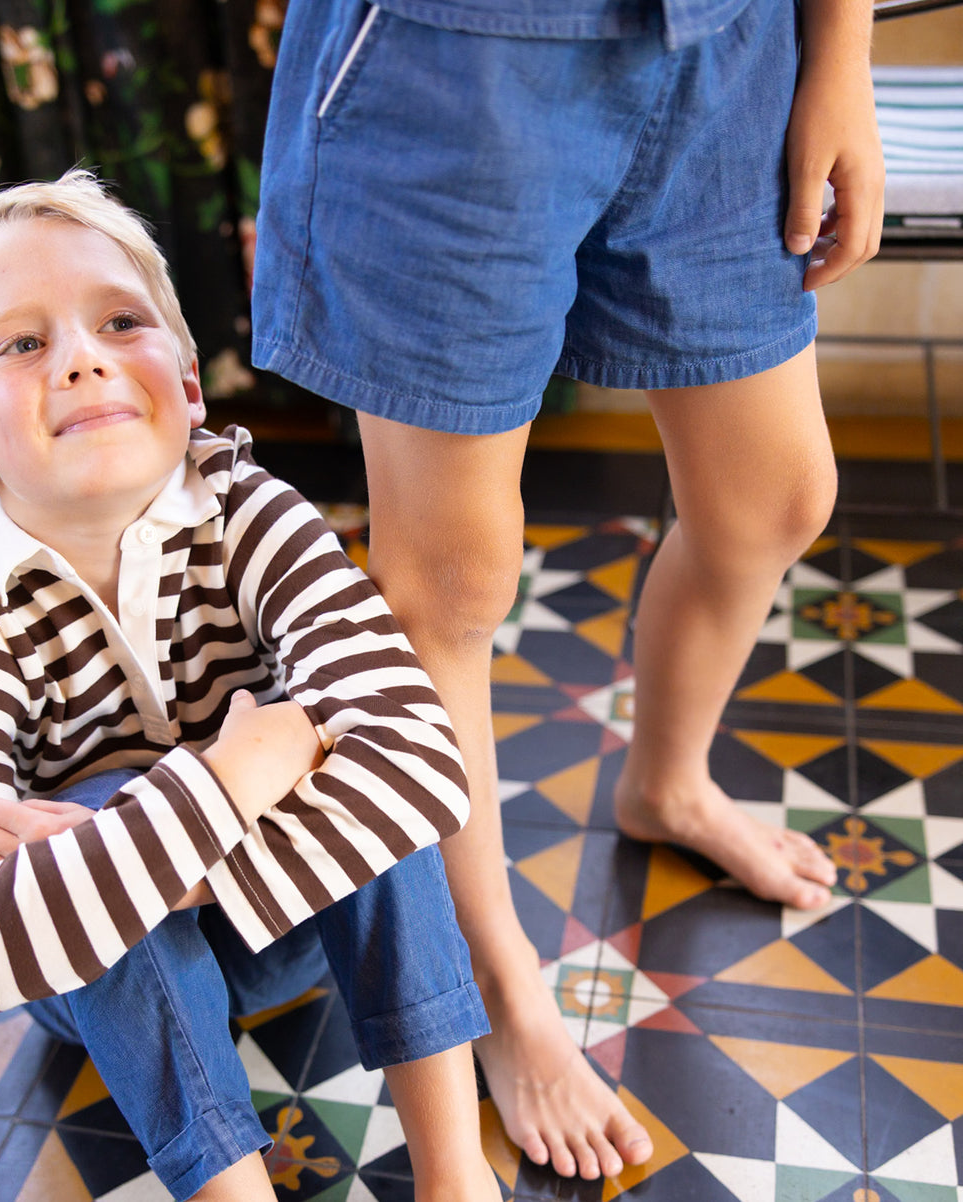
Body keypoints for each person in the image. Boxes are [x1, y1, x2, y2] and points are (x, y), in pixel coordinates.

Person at [250, 0, 885, 1182]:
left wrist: (840, 56)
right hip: (454, 64)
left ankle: (668, 780)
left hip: (729, 52)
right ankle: (495, 986)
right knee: (449, 582)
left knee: (774, 498)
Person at [0, 169, 500, 1202]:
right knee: (159, 796)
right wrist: (228, 778)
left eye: (120, 322)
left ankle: (456, 1172)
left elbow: (427, 773)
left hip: (290, 924)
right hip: (97, 978)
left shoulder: (255, 514)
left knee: (351, 737)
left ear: (189, 382)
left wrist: (124, 857)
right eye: (23, 343)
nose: (82, 358)